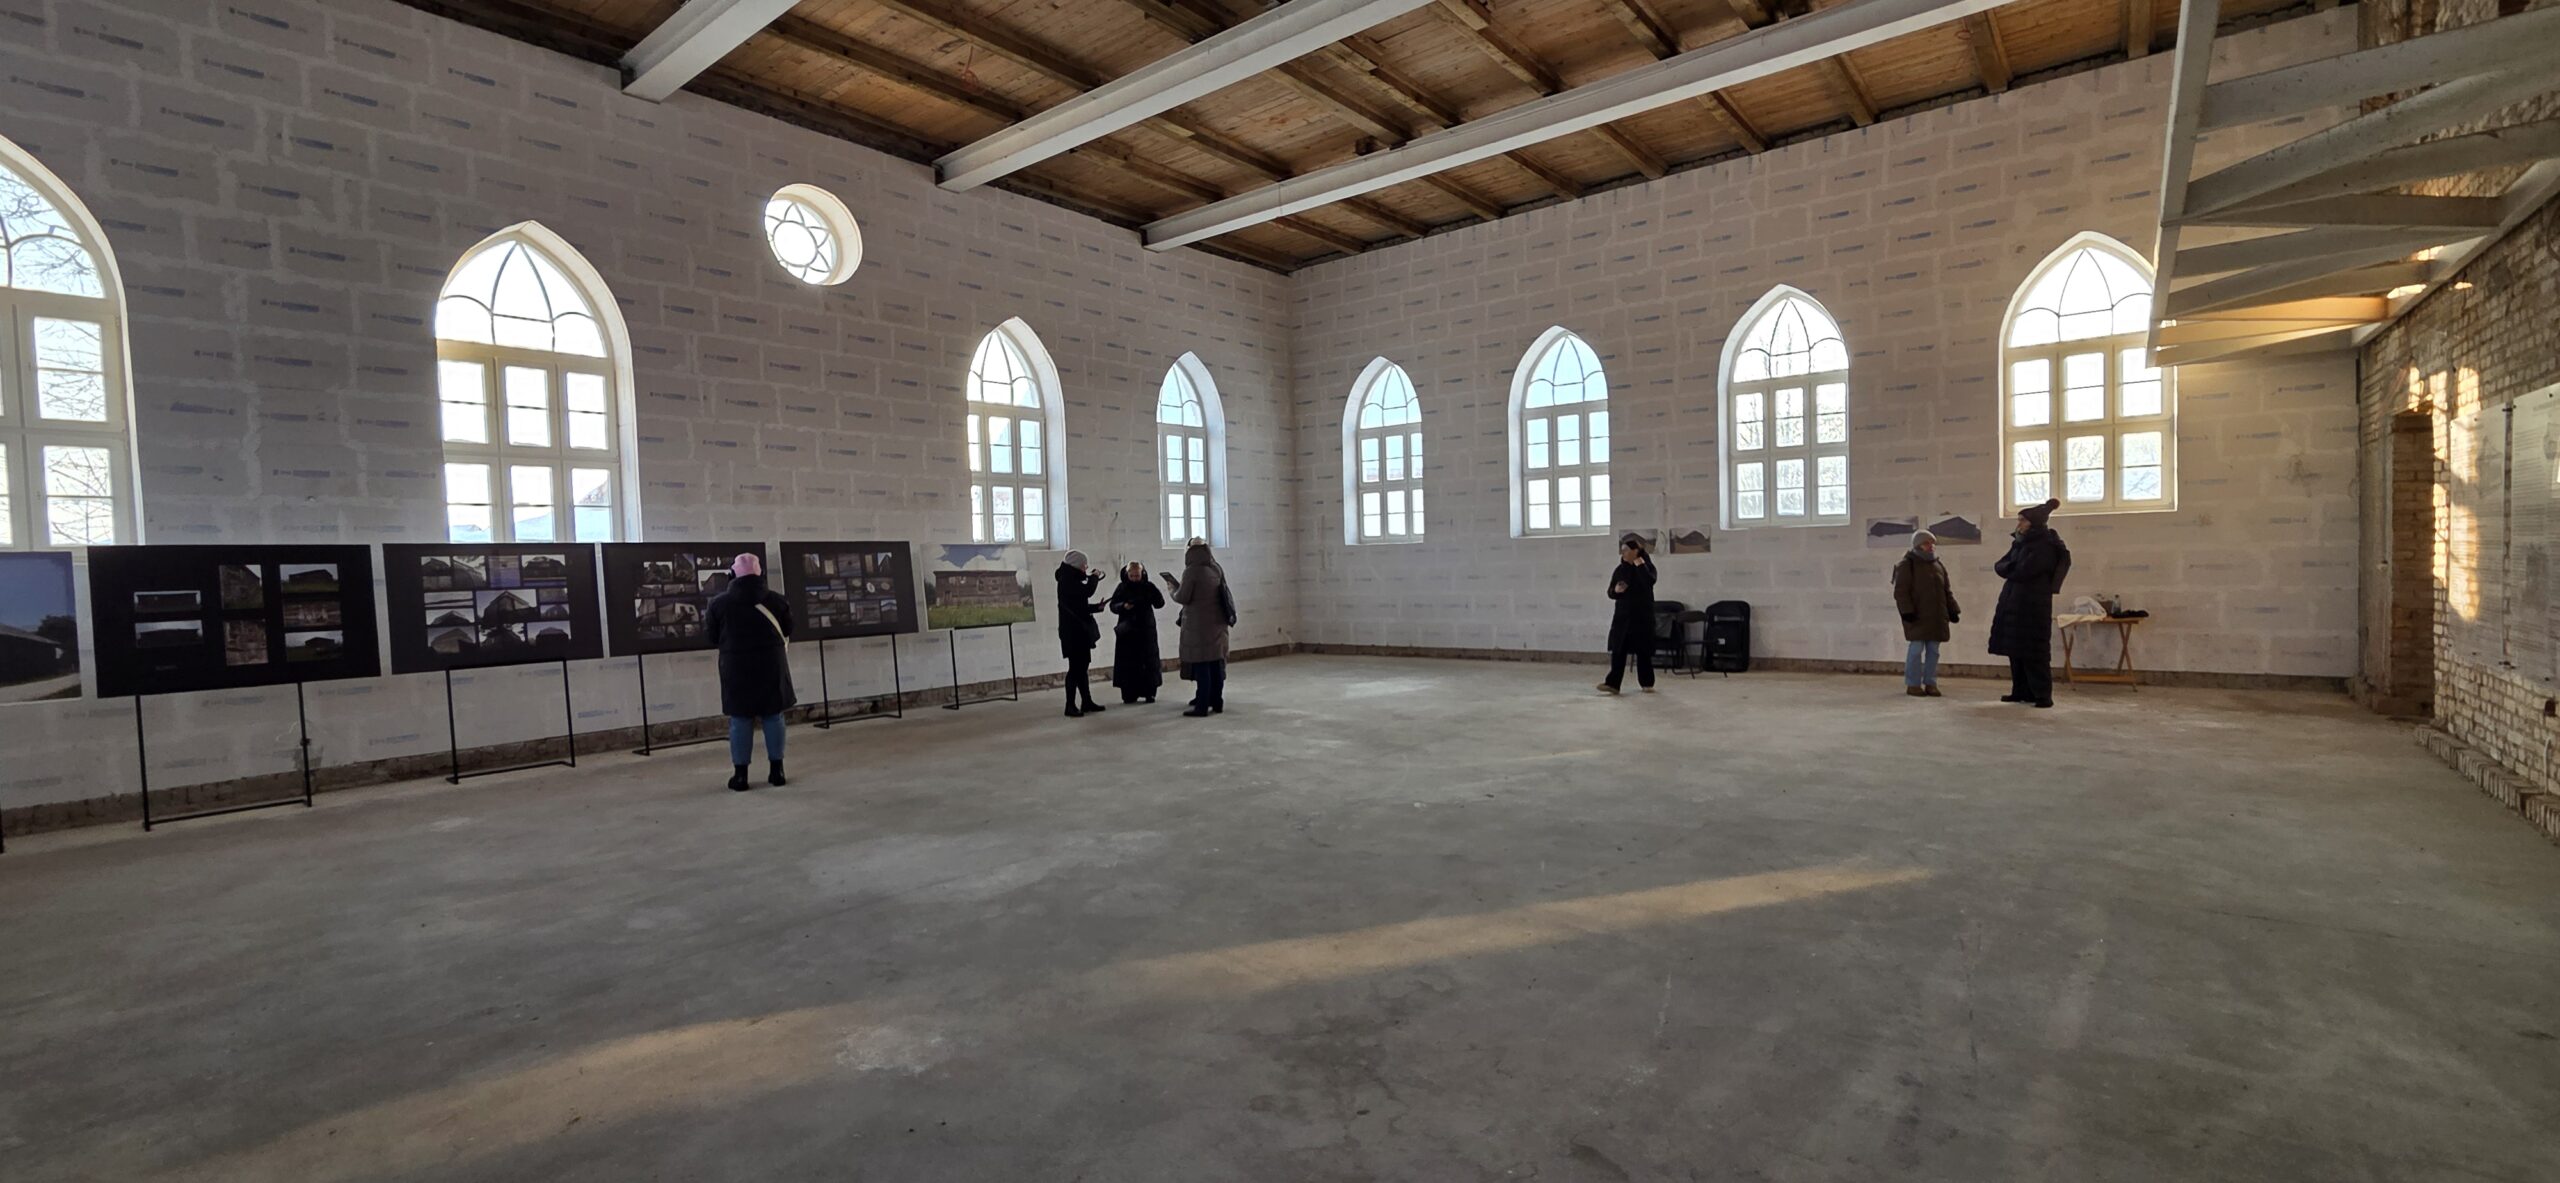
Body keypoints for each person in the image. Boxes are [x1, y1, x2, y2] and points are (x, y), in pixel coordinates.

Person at [703, 552, 794, 790]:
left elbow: (712, 637)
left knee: (740, 719)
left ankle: (741, 776)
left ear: (732, 575)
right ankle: (777, 772)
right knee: (773, 716)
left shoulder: (718, 604)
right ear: (760, 574)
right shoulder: (778, 601)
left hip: (736, 668)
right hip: (771, 665)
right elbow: (788, 629)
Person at [1990, 498, 2071, 709]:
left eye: (2022, 520)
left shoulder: (2044, 544)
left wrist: (2009, 569)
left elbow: (2024, 570)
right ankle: (2020, 692)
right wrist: (2010, 568)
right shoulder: (2021, 542)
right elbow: (2000, 565)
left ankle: (2042, 695)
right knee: (2016, 650)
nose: (2019, 524)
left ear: (2033, 523)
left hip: (2033, 604)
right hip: (2014, 602)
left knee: (2034, 652)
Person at [1163, 540, 1233, 717]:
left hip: (1199, 626)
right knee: (1216, 664)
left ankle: (1202, 706)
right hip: (1218, 624)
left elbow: (1183, 597)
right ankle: (1216, 702)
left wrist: (1172, 589)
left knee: (1202, 666)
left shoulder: (1191, 571)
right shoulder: (1216, 567)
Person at [1892, 529, 1960, 698]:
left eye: (1932, 543)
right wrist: (1907, 611)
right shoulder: (1907, 564)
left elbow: (1946, 591)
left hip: (1937, 616)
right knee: (1916, 650)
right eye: (1927, 543)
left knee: (1934, 651)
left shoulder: (1938, 565)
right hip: (1917, 616)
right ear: (1918, 545)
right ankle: (1913, 684)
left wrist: (1953, 609)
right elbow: (1901, 592)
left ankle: (1931, 683)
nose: (1931, 546)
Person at [1599, 532, 1658, 695]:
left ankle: (1647, 683)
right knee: (1618, 650)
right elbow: (1610, 591)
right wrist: (1615, 591)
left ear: (1635, 551)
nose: (1623, 553)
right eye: (1622, 550)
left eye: (1626, 550)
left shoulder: (1647, 567)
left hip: (1642, 617)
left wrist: (1639, 564)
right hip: (1622, 617)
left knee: (1643, 651)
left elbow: (1649, 581)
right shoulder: (1620, 570)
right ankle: (1613, 684)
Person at [1054, 550, 1109, 718]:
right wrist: (1095, 576)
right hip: (1073, 633)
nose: (1086, 568)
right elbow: (1087, 591)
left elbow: (1079, 605)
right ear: (1077, 566)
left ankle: (1086, 701)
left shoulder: (1071, 579)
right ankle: (1069, 705)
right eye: (1084, 565)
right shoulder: (1067, 580)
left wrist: (1096, 608)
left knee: (1082, 668)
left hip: (1078, 631)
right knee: (1075, 669)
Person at [1107, 561, 1165, 704]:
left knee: (1148, 662)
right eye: (1132, 576)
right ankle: (1129, 693)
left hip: (1146, 630)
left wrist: (1152, 595)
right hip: (1128, 631)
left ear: (1142, 574)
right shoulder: (1122, 587)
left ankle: (1149, 693)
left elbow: (1160, 603)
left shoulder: (1149, 586)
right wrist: (1123, 606)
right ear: (1127, 574)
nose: (1134, 579)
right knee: (1128, 663)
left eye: (1137, 576)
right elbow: (1113, 606)